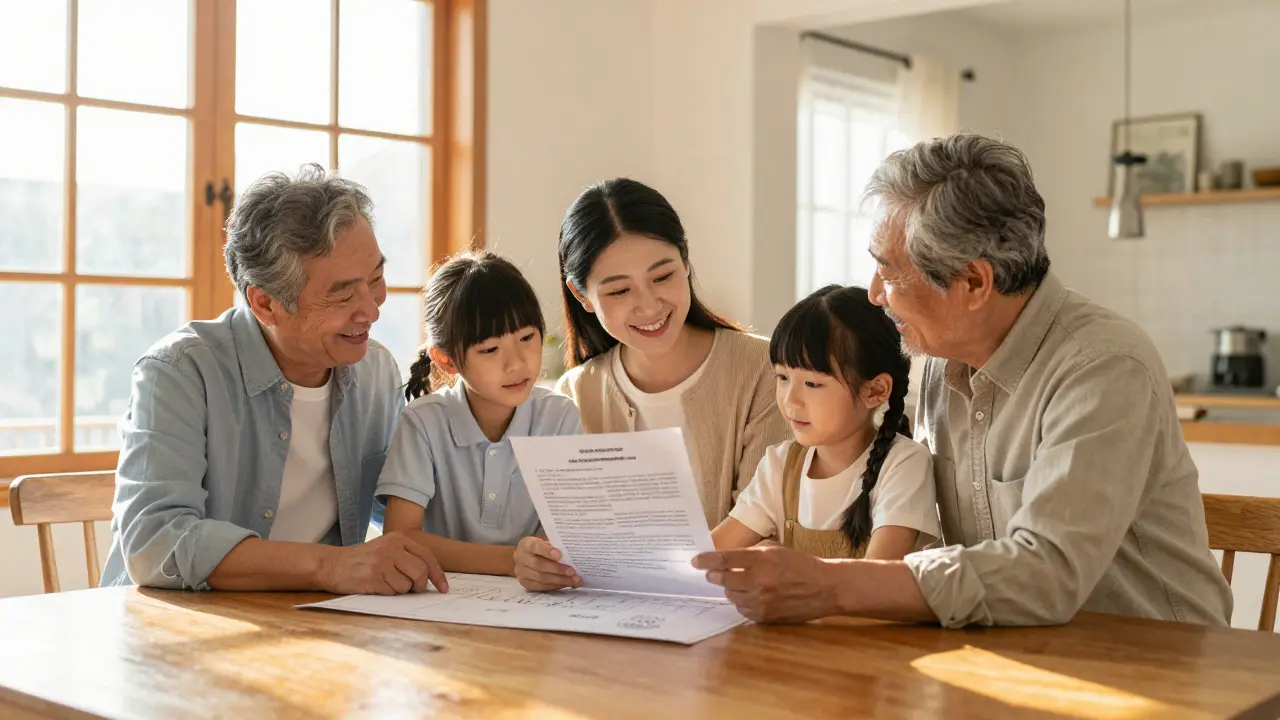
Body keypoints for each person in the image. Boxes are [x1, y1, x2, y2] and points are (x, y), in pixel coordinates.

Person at [691, 134, 1233, 628]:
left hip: (1154, 665)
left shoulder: (1103, 367)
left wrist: (831, 583)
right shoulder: (934, 363)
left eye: (891, 272)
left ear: (973, 281)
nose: (875, 294)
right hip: (1014, 654)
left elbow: (1046, 573)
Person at [102, 164, 447, 596]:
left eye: (376, 278)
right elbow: (155, 543)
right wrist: (331, 566)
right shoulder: (179, 373)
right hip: (177, 628)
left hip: (317, 623)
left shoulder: (374, 371)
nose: (372, 309)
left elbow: (399, 508)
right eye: (342, 294)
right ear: (265, 304)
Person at [510, 179, 791, 591]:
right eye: (620, 290)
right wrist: (540, 560)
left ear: (687, 262)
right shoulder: (575, 394)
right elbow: (567, 540)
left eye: (663, 276)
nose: (649, 305)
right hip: (613, 627)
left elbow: (763, 533)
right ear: (582, 296)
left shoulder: (766, 371)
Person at [376, 251, 581, 575]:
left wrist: (537, 564)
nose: (516, 363)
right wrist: (514, 561)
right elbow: (400, 538)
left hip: (535, 603)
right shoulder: (423, 422)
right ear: (447, 360)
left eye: (527, 337)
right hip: (439, 607)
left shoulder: (560, 418)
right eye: (489, 350)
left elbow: (564, 539)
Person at [711, 285, 939, 561]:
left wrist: (787, 568)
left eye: (812, 383)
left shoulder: (904, 464)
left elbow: (877, 578)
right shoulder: (781, 465)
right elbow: (710, 553)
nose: (790, 401)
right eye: (782, 378)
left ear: (875, 391)